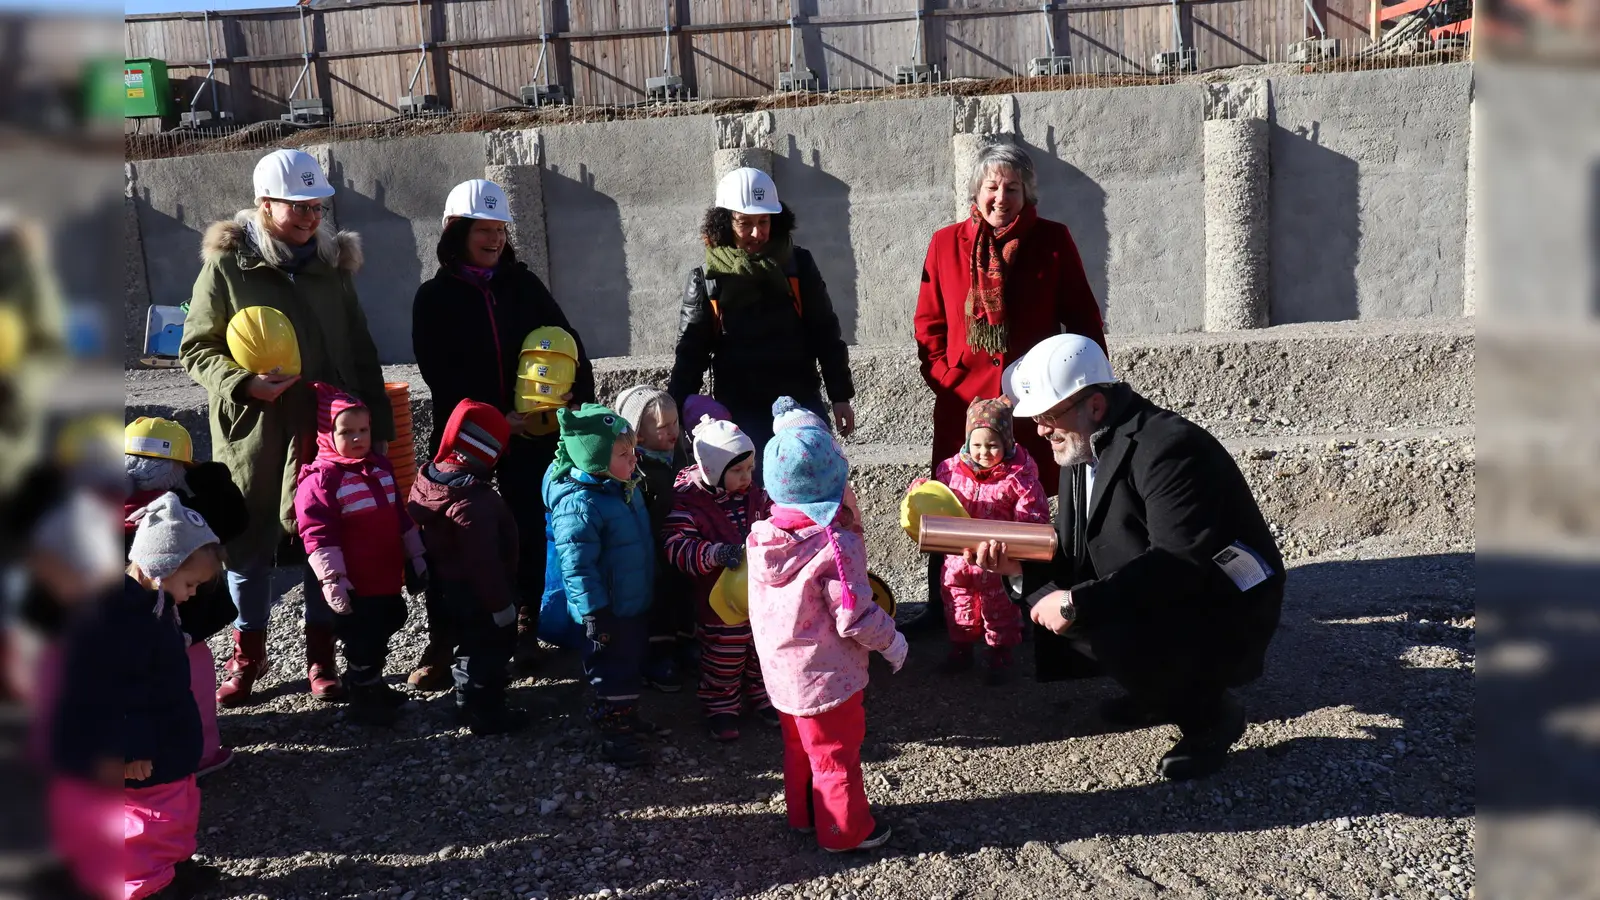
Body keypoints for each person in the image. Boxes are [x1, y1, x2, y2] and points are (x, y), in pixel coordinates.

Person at [966, 333, 1285, 781]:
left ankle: (1211, 716)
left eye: (1047, 416)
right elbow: (1076, 545)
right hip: (1163, 580)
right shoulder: (1080, 443)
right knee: (1048, 598)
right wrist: (1019, 571)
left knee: (1101, 620)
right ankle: (1156, 687)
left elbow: (1180, 564)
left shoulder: (1169, 449)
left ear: (1094, 406)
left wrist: (1078, 602)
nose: (1039, 429)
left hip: (1221, 600)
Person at [180, 148, 394, 707]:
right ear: (264, 203)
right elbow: (196, 349)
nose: (309, 218)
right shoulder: (228, 267)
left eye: (317, 207)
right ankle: (248, 657)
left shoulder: (332, 268)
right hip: (255, 433)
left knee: (320, 541)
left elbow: (361, 352)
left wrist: (381, 424)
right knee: (248, 547)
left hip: (323, 433)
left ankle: (321, 658)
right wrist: (242, 384)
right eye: (297, 206)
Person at [911, 142, 1107, 631]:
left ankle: (1034, 603)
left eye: (1012, 188)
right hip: (965, 403)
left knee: (1029, 498)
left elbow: (1082, 318)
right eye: (992, 187)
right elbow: (928, 324)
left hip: (1032, 404)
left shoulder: (1054, 241)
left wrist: (1085, 390)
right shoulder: (944, 243)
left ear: (1028, 193)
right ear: (976, 191)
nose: (1002, 197)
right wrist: (947, 379)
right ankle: (946, 610)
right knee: (955, 497)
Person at [413, 178, 596, 673]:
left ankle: (522, 629)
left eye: (500, 229)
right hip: (464, 436)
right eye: (483, 230)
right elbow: (441, 374)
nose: (495, 239)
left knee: (526, 531)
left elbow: (567, 341)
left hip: (529, 437)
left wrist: (577, 393)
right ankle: (442, 639)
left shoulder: (524, 285)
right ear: (457, 231)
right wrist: (496, 420)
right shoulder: (434, 298)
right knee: (447, 533)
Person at [748, 419, 907, 853]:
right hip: (827, 677)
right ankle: (843, 831)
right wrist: (893, 642)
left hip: (783, 676)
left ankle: (803, 816)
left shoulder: (763, 537)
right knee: (836, 755)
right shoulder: (833, 545)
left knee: (800, 748)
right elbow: (854, 617)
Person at [668, 167, 857, 461]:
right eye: (745, 223)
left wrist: (839, 395)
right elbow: (691, 354)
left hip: (801, 404)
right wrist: (676, 412)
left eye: (764, 221)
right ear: (724, 223)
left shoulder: (799, 266)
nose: (757, 233)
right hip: (742, 412)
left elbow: (825, 331)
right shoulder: (707, 280)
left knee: (816, 479)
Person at [293, 383, 426, 726]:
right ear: (327, 433)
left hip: (384, 575)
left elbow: (400, 515)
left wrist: (417, 555)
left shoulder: (379, 468)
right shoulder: (321, 480)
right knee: (362, 637)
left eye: (364, 430)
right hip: (356, 580)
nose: (357, 438)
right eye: (346, 431)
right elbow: (318, 535)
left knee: (386, 623)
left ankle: (374, 683)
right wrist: (332, 579)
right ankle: (362, 696)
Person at [115, 494, 228, 898]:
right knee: (150, 821)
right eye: (190, 583)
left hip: (169, 742)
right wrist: (129, 750)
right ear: (160, 566)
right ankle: (146, 886)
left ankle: (174, 867)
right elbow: (119, 689)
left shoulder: (155, 605)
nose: (193, 592)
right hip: (144, 753)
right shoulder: (127, 619)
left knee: (178, 808)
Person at [124, 417, 249, 776]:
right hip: (188, 630)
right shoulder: (187, 510)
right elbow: (236, 519)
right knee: (191, 682)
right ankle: (203, 752)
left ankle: (142, 755)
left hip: (131, 627)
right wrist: (206, 476)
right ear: (180, 468)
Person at [544, 404, 662, 767]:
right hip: (606, 608)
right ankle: (614, 733)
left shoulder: (622, 486)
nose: (634, 459)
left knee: (628, 662)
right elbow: (577, 566)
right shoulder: (579, 504)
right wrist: (594, 612)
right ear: (595, 460)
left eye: (633, 451)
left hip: (629, 600)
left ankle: (623, 715)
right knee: (608, 668)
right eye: (623, 454)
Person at [407, 399, 531, 736]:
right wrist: (501, 606)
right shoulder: (474, 502)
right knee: (489, 651)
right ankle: (487, 714)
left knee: (466, 647)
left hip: (444, 588)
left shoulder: (428, 483)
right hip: (480, 594)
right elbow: (484, 563)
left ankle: (465, 702)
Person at [663, 416, 773, 742]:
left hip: (758, 592)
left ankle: (761, 693)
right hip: (718, 597)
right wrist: (714, 554)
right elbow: (676, 547)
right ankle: (721, 703)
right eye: (738, 471)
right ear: (712, 470)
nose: (746, 477)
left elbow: (776, 520)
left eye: (750, 469)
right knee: (724, 652)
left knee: (761, 647)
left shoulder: (756, 498)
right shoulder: (690, 502)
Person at [927, 396, 1048, 685]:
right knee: (958, 601)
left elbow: (1032, 512)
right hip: (960, 557)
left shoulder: (1019, 477)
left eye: (992, 445)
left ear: (1007, 442)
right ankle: (962, 645)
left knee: (1001, 607)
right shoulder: (950, 471)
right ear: (967, 442)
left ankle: (1000, 652)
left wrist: (1024, 537)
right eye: (977, 445)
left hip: (997, 559)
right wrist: (921, 493)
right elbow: (934, 498)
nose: (984, 452)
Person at [613, 385, 689, 693]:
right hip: (652, 550)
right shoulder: (636, 470)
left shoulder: (678, 454)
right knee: (658, 605)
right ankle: (657, 658)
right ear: (639, 435)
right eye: (664, 427)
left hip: (682, 545)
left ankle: (684, 646)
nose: (673, 431)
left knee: (682, 598)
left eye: (675, 423)